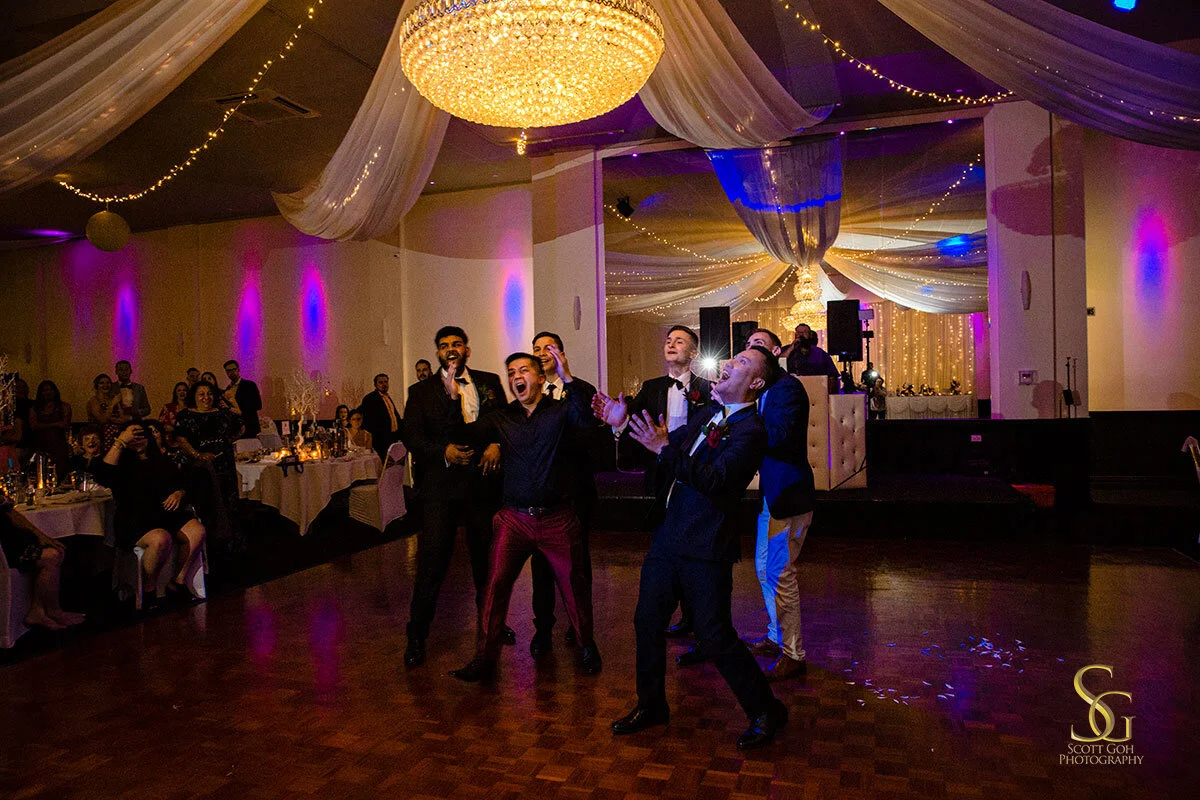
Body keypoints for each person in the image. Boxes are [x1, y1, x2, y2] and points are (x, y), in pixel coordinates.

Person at [607, 346, 787, 751]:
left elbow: (716, 481)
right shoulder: (707, 415)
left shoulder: (751, 431)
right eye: (733, 358)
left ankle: (766, 710)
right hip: (669, 535)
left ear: (756, 382)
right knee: (646, 622)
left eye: (742, 362)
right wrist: (622, 425)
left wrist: (665, 450)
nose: (728, 364)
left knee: (714, 634)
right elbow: (663, 447)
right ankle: (651, 705)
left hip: (706, 544)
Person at [449, 347, 603, 682]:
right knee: (494, 586)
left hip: (557, 518)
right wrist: (452, 400)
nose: (516, 377)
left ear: (540, 377)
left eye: (524, 370)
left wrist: (567, 377)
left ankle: (587, 646)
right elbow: (464, 435)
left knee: (574, 587)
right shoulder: (501, 417)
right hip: (514, 519)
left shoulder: (561, 412)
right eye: (511, 373)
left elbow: (587, 421)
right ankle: (484, 658)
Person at [401, 326, 508, 668]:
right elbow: (412, 436)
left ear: (467, 350)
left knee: (486, 562)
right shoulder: (420, 392)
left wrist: (497, 444)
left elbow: (504, 421)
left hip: (481, 484)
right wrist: (443, 451)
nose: (451, 349)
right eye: (444, 345)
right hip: (441, 488)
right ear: (437, 352)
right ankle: (417, 636)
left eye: (457, 344)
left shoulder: (488, 381)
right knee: (432, 562)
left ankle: (492, 622)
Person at [597, 324, 712, 639]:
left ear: (694, 352)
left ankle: (698, 617)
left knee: (695, 547)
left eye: (680, 341)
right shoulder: (651, 388)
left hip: (694, 475)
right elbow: (632, 427)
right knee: (667, 544)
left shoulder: (707, 389)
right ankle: (676, 614)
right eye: (668, 340)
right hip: (661, 476)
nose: (671, 344)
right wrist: (619, 422)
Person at [741, 328, 816, 682]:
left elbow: (780, 437)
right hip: (770, 495)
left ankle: (794, 654)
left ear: (774, 353)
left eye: (758, 345)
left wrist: (743, 417)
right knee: (763, 569)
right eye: (747, 346)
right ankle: (776, 636)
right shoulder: (763, 390)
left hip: (788, 494)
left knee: (780, 572)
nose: (750, 350)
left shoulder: (788, 388)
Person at [527, 330, 600, 654]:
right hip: (541, 495)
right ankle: (542, 629)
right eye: (536, 348)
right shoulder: (528, 393)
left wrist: (567, 378)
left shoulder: (581, 389)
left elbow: (588, 432)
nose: (542, 353)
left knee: (577, 564)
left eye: (549, 348)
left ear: (561, 353)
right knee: (541, 566)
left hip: (575, 491)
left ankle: (579, 625)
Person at [91, 422, 207, 608]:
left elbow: (182, 483)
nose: (138, 441)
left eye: (141, 436)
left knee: (197, 531)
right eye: (133, 437)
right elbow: (103, 475)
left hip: (164, 513)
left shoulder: (159, 459)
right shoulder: (120, 462)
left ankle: (178, 580)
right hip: (135, 517)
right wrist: (121, 442)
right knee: (161, 539)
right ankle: (149, 588)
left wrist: (179, 493)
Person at [0, 498, 85, 629]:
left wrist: (41, 537)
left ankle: (49, 609)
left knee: (57, 552)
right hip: (6, 549)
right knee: (51, 556)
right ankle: (43, 611)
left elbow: (11, 512)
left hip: (11, 542)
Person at [174, 382, 243, 514]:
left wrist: (226, 442)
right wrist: (197, 455)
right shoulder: (185, 415)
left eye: (210, 394)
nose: (206, 397)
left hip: (224, 464)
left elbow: (241, 427)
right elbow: (181, 439)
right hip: (199, 466)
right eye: (201, 394)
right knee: (204, 501)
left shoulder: (223, 413)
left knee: (227, 500)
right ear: (194, 396)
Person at [28, 380, 72, 471]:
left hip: (59, 445)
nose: (48, 392)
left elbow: (64, 424)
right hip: (41, 445)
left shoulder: (63, 407)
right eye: (45, 390)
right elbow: (34, 426)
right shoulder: (35, 409)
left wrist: (43, 425)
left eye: (50, 390)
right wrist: (55, 424)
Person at [360, 373, 403, 464]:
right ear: (375, 385)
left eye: (386, 382)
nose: (384, 384)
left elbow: (394, 416)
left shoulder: (387, 397)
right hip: (380, 440)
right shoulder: (370, 398)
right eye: (381, 382)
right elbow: (368, 421)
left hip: (393, 438)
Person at [783, 324, 839, 392]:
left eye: (804, 332)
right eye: (799, 332)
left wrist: (828, 393)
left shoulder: (819, 353)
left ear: (809, 335)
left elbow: (832, 375)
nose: (801, 334)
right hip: (792, 389)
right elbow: (780, 361)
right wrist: (792, 347)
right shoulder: (787, 349)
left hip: (815, 389)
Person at [223, 360, 262, 437]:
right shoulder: (227, 389)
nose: (231, 372)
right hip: (234, 429)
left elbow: (258, 405)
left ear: (238, 369)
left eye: (233, 369)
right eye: (228, 370)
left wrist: (239, 411)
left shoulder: (249, 385)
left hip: (249, 426)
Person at [86, 373, 126, 449]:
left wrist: (110, 418)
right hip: (101, 436)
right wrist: (112, 405)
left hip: (117, 435)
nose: (105, 385)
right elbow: (102, 420)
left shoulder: (114, 399)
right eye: (102, 383)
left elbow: (123, 419)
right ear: (96, 385)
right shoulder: (93, 401)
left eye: (108, 383)